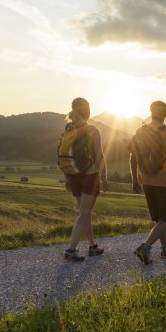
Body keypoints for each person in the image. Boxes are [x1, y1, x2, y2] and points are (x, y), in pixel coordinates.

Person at [128, 100, 166, 265]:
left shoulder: (140, 131)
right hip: (165, 181)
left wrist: (134, 180)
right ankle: (145, 247)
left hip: (146, 180)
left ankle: (165, 248)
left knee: (159, 218)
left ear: (151, 112)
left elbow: (133, 158)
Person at [63, 97, 108, 262]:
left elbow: (65, 156)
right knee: (84, 214)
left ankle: (93, 246)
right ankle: (71, 250)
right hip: (90, 175)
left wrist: (67, 177)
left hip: (74, 175)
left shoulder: (68, 130)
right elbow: (100, 156)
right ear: (88, 112)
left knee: (85, 213)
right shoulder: (92, 131)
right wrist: (104, 178)